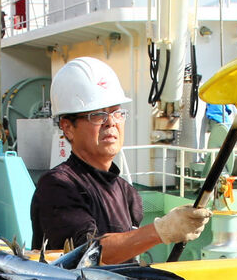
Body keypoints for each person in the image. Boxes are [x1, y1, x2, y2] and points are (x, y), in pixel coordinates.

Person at [30, 57, 210, 263]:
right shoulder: (57, 186)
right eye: (97, 115)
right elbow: (87, 255)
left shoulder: (126, 192)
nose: (111, 123)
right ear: (68, 127)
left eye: (116, 113)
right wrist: (162, 230)